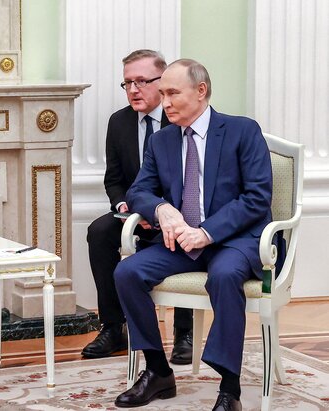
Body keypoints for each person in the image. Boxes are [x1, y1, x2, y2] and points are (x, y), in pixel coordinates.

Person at [113, 59, 273, 411]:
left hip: (236, 240)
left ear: (201, 91)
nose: (165, 102)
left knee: (225, 275)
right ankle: (158, 371)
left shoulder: (242, 130)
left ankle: (229, 389)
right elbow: (138, 191)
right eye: (162, 93)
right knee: (127, 272)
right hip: (182, 242)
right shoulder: (161, 140)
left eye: (172, 93)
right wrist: (160, 209)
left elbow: (257, 198)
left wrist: (207, 232)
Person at [83, 49, 193, 364]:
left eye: (142, 81)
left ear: (163, 81)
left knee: (184, 234)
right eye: (127, 83)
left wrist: (161, 211)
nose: (133, 90)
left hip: (177, 213)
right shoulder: (119, 122)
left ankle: (184, 333)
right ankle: (113, 327)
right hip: (132, 214)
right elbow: (114, 179)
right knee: (99, 232)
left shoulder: (181, 120)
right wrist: (125, 207)